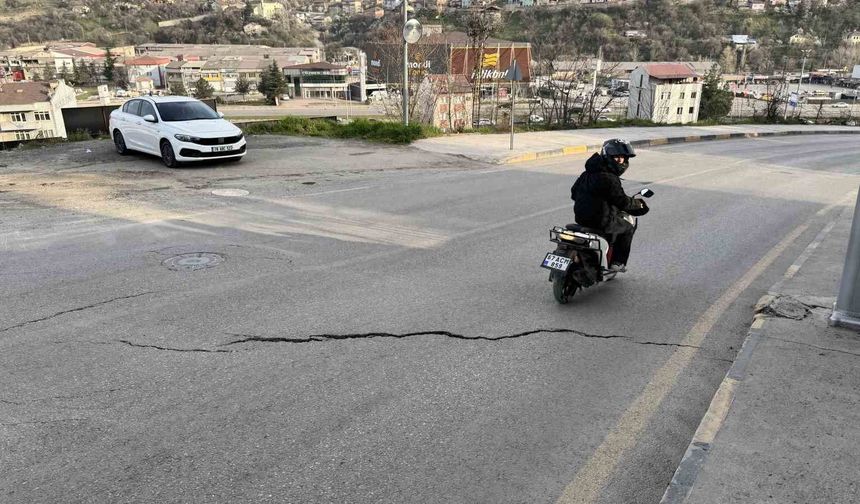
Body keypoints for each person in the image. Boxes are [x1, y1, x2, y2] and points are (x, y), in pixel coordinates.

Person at [570, 138, 649, 272]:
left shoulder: (587, 173)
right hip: (601, 222)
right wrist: (639, 205)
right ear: (608, 156)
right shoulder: (609, 178)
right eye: (616, 157)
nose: (619, 160)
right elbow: (622, 201)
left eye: (622, 157)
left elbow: (574, 192)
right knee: (628, 227)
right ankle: (617, 262)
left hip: (582, 219)